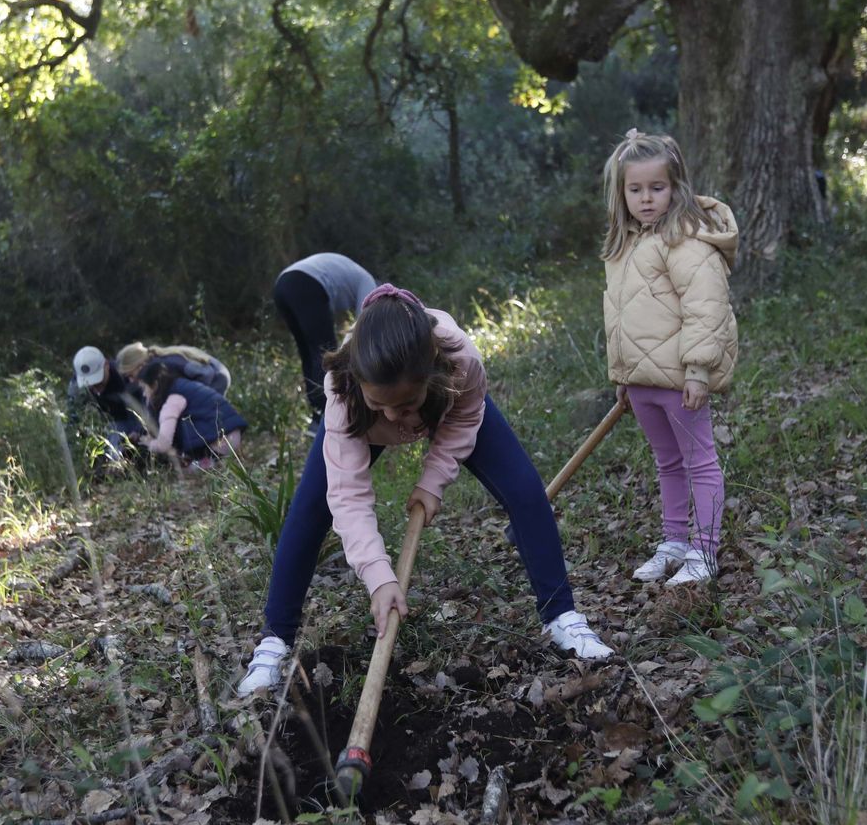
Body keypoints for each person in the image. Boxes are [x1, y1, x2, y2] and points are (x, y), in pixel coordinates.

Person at [236, 284, 613, 696]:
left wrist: (433, 481)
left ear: (430, 374)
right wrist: (380, 578)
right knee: (308, 514)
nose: (396, 417)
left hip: (448, 412)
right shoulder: (344, 393)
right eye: (382, 404)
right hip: (362, 420)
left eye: (405, 403)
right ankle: (274, 641)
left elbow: (466, 417)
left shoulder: (459, 361)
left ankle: (562, 615)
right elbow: (349, 496)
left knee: (527, 493)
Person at [600, 130, 738, 586]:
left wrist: (698, 369)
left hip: (681, 380)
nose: (645, 198)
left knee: (699, 460)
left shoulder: (687, 242)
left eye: (656, 188)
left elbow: (706, 308)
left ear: (675, 187)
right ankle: (675, 541)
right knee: (667, 463)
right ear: (621, 193)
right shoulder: (626, 244)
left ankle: (705, 550)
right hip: (643, 382)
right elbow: (625, 314)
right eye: (635, 189)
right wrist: (624, 373)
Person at [273, 253, 377, 424]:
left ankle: (317, 416)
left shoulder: (352, 275)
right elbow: (364, 328)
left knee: (308, 353)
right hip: (305, 282)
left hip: (282, 285)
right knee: (326, 355)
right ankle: (328, 417)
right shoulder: (369, 283)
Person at [137, 358, 249, 471]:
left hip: (219, 445)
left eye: (144, 388)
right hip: (232, 436)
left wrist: (149, 443)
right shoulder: (184, 386)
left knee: (183, 470)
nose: (144, 394)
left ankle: (208, 463)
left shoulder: (172, 400)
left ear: (155, 385)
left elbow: (164, 444)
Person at [66, 346, 148, 462]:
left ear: (106, 365)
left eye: (98, 382)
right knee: (112, 454)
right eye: (90, 385)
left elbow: (147, 407)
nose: (95, 388)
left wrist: (139, 431)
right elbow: (72, 419)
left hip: (135, 415)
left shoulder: (126, 376)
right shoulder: (75, 387)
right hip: (113, 421)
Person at [115, 342, 232, 396]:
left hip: (217, 377)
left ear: (140, 364)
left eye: (130, 375)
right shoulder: (155, 363)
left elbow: (206, 373)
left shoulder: (165, 363)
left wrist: (194, 395)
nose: (131, 381)